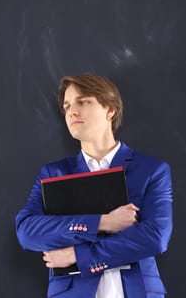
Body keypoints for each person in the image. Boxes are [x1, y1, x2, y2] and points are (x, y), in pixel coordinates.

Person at [15, 73, 173, 298]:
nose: (72, 111)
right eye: (67, 105)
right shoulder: (53, 173)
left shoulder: (152, 170)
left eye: (83, 101)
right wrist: (102, 222)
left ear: (110, 110)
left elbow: (155, 237)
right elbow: (27, 232)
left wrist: (78, 256)